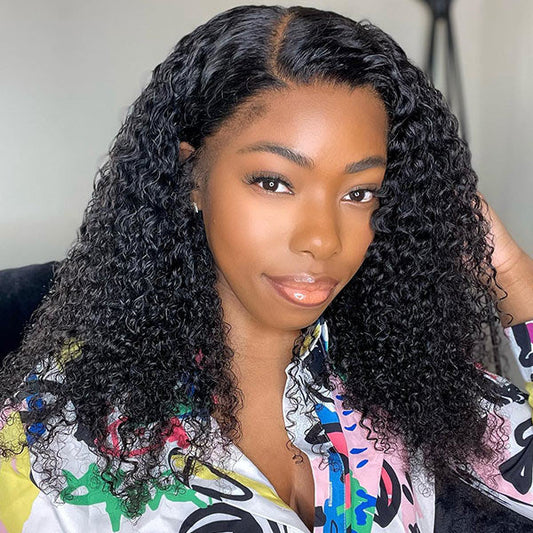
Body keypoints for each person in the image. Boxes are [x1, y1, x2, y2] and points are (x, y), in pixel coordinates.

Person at [1, 5, 532, 532]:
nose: (323, 240)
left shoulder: (404, 385)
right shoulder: (57, 442)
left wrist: (508, 272)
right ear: (190, 176)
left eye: (360, 192)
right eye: (274, 183)